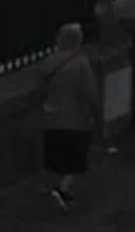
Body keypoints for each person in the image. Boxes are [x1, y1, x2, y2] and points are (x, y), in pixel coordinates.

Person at [41, 22, 101, 211]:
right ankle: (62, 190)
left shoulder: (49, 62)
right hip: (74, 120)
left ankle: (54, 186)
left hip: (51, 118)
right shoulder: (81, 63)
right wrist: (93, 113)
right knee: (74, 159)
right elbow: (90, 94)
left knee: (55, 155)